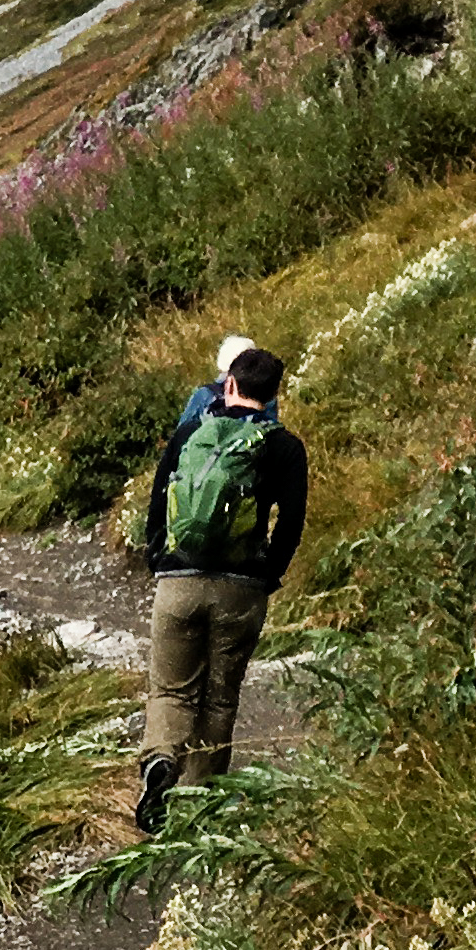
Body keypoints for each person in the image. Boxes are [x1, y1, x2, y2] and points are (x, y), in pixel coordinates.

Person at [136, 344, 307, 832]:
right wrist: (267, 575)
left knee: (170, 689)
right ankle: (198, 806)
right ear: (274, 393)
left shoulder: (193, 430)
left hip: (178, 582)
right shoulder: (285, 447)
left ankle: (160, 760)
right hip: (241, 589)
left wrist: (159, 558)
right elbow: (291, 523)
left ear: (227, 382)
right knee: (219, 696)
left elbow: (158, 496)